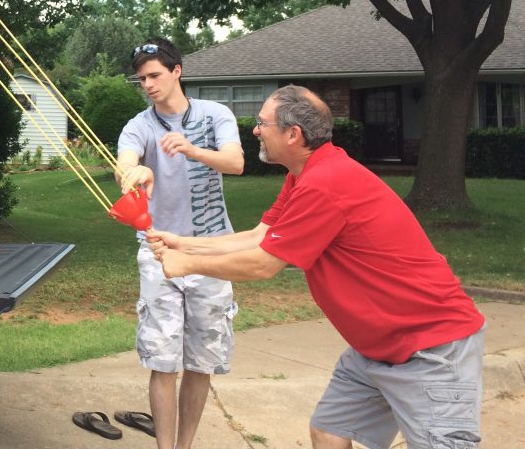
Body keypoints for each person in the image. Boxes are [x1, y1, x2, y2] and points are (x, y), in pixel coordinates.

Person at [149, 85, 486, 449]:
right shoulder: (304, 174)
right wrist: (183, 242)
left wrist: (187, 264)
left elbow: (263, 264)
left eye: (262, 123)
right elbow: (260, 236)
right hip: (377, 349)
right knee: (328, 432)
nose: (256, 130)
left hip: (431, 347)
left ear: (293, 134)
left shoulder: (325, 183)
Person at [116, 37, 244, 449]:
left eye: (155, 75)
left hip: (211, 251)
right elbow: (126, 164)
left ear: (176, 71)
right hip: (158, 251)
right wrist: (136, 176)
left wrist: (192, 149)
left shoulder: (214, 113)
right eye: (142, 79)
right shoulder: (140, 125)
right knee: (162, 361)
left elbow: (236, 162)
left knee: (201, 363)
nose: (148, 84)